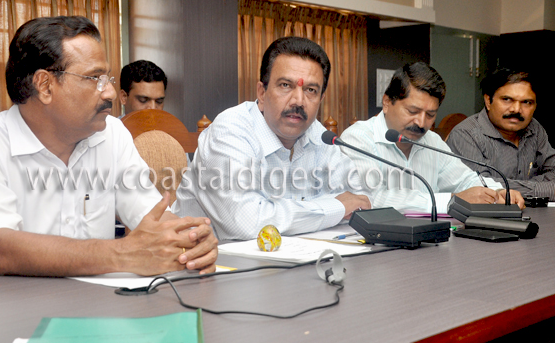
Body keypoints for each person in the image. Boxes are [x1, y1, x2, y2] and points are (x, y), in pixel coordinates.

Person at [0, 16, 217, 277]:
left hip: (98, 299)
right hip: (8, 301)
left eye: (107, 78)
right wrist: (123, 254)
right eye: (94, 78)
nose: (110, 93)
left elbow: (152, 216)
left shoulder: (111, 133)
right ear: (45, 86)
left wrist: (190, 238)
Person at [172, 37, 371, 240]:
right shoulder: (230, 130)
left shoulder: (319, 135)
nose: (298, 101)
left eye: (311, 90)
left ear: (321, 99)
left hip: (296, 254)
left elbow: (360, 201)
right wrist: (334, 207)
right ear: (262, 92)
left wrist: (336, 207)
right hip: (207, 256)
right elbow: (248, 223)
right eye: (285, 85)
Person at [340, 62, 525, 214]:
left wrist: (498, 192)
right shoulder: (357, 139)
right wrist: (452, 200)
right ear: (387, 102)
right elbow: (370, 198)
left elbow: (465, 179)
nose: (421, 123)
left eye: (430, 114)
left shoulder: (432, 141)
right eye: (412, 111)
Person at [447, 68, 555, 200]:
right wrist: (544, 188)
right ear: (488, 101)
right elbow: (482, 189)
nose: (516, 109)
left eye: (526, 102)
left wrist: (509, 187)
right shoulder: (465, 134)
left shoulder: (534, 128)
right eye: (507, 99)